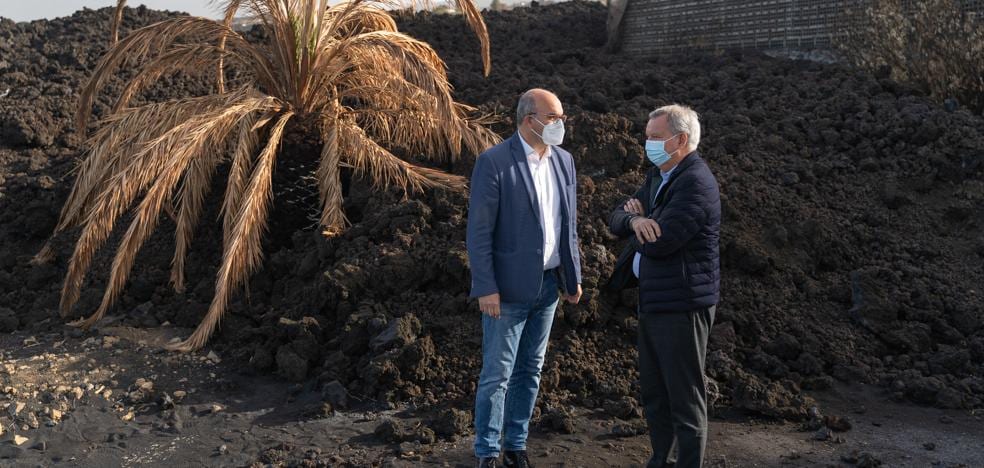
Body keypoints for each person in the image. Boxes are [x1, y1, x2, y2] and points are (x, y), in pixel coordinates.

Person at [466, 88, 583, 468]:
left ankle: (516, 445)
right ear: (527, 119)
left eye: (562, 118)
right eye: (552, 119)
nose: (559, 125)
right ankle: (487, 451)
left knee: (530, 370)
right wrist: (486, 287)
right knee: (497, 374)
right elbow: (479, 233)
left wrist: (573, 276)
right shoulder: (495, 162)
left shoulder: (564, 161)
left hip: (549, 286)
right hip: (508, 290)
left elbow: (569, 226)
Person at [607, 104, 720, 468]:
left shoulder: (696, 182)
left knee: (685, 397)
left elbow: (662, 241)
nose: (648, 143)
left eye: (655, 137)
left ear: (681, 140)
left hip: (682, 305)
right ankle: (660, 460)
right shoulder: (659, 175)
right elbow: (616, 217)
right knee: (655, 393)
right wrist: (636, 220)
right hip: (654, 301)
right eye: (648, 137)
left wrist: (638, 222)